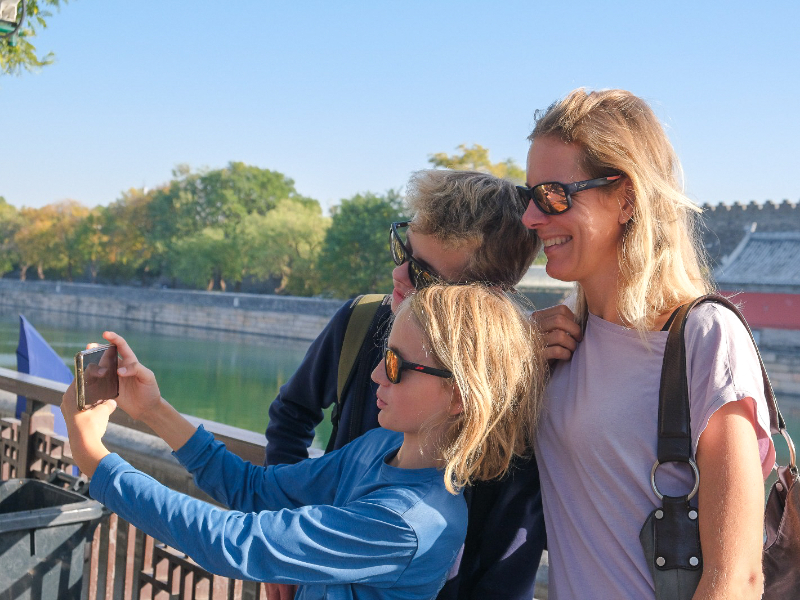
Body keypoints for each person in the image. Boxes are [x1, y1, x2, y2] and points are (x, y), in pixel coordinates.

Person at [60, 283, 547, 600]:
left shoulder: (408, 522)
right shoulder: (380, 446)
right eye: (383, 355)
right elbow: (255, 490)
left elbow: (230, 543)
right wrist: (151, 410)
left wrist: (95, 460)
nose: (376, 373)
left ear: (460, 396)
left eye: (397, 365)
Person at [521, 88, 773, 599]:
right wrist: (514, 355)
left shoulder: (702, 337)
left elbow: (737, 579)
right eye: (525, 196)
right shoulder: (560, 343)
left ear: (627, 198)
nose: (530, 217)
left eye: (553, 195)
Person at [265, 169, 546, 599]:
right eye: (404, 251)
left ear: (485, 297)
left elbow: (511, 547)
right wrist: (283, 546)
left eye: (424, 274)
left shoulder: (517, 379)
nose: (399, 275)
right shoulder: (360, 323)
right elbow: (291, 416)